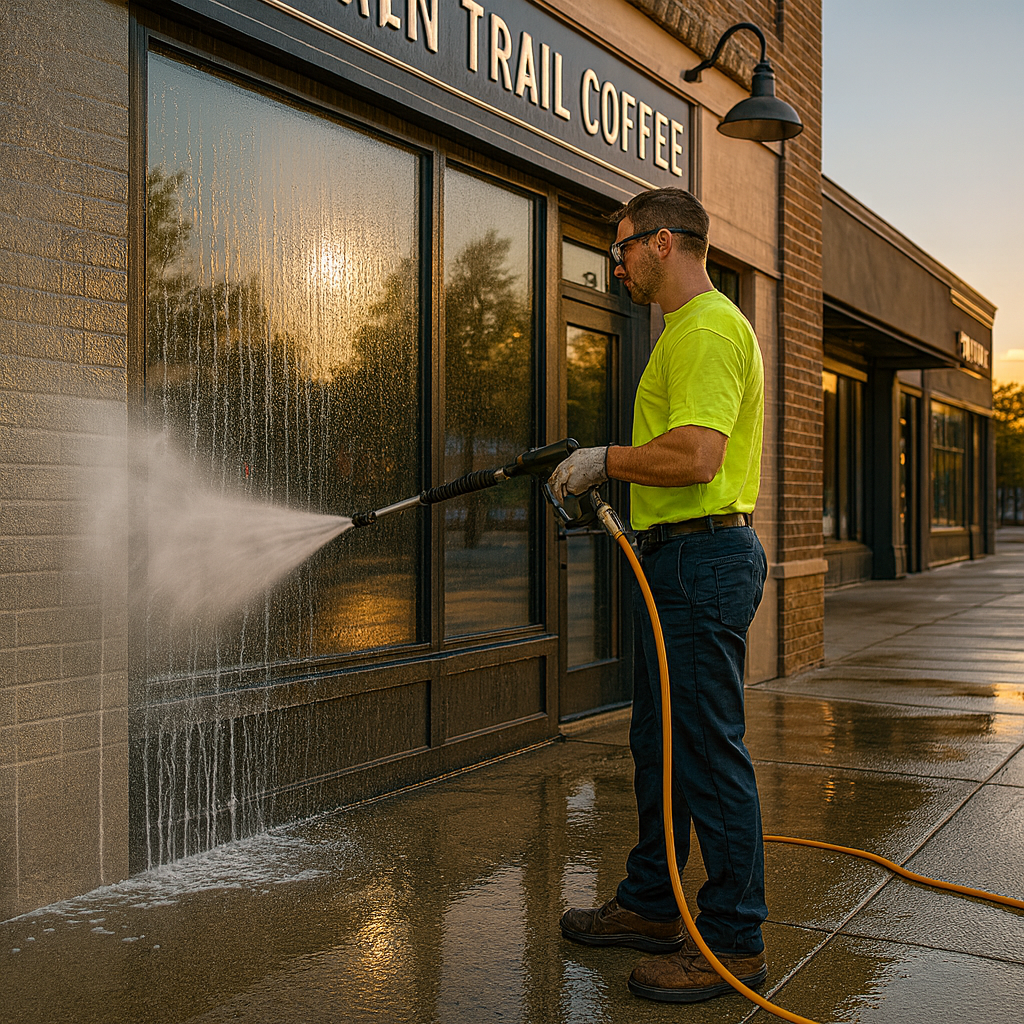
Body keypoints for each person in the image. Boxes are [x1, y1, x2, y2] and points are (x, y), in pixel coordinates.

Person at [548, 187, 768, 1004]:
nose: (617, 262)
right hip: (681, 560)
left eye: (623, 247)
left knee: (707, 753)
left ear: (665, 242)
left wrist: (608, 459)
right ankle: (651, 903)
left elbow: (699, 457)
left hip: (702, 562)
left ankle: (735, 939)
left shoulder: (708, 327)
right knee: (661, 746)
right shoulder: (684, 330)